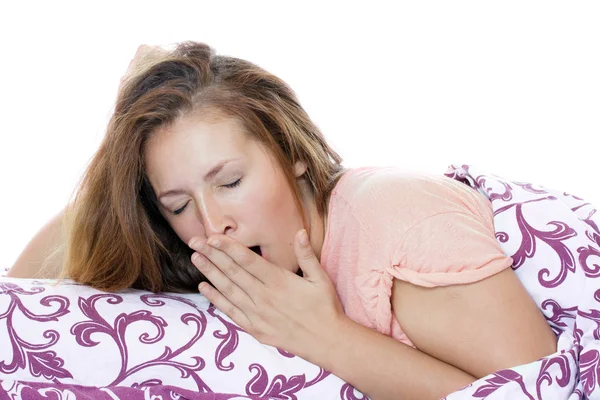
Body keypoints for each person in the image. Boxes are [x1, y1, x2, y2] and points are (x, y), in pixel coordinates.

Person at [7, 41, 557, 400]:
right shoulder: (213, 261)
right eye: (177, 205)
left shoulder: (394, 222)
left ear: (290, 151)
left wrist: (326, 337)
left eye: (230, 182)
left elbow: (546, 390)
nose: (211, 222)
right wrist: (128, 128)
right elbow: (18, 303)